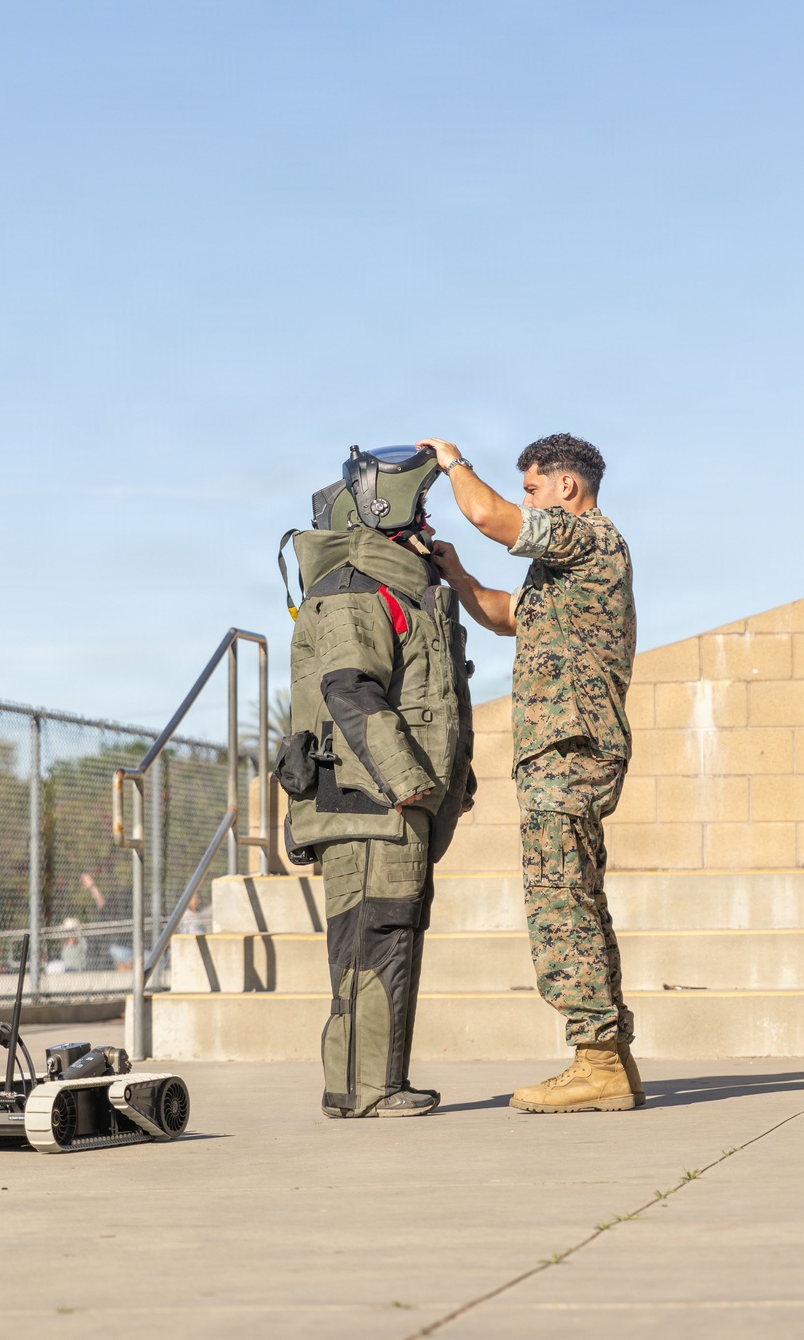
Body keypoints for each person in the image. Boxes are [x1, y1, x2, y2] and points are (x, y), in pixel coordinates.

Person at [416, 432, 643, 1112]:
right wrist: (454, 572)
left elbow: (488, 515)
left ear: (565, 488)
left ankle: (597, 1061)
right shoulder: (563, 569)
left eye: (533, 487)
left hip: (570, 746)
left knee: (560, 903)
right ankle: (610, 1058)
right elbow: (505, 614)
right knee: (576, 897)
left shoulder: (589, 537)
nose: (526, 499)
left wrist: (452, 463)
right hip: (561, 749)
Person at [277, 445, 475, 1118]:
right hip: (368, 805)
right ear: (381, 510)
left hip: (390, 806)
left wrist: (452, 780)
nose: (426, 524)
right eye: (418, 510)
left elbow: (431, 697)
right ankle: (367, 1088)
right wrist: (409, 779)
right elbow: (348, 688)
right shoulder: (357, 587)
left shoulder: (397, 587)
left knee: (387, 940)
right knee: (371, 940)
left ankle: (366, 1084)